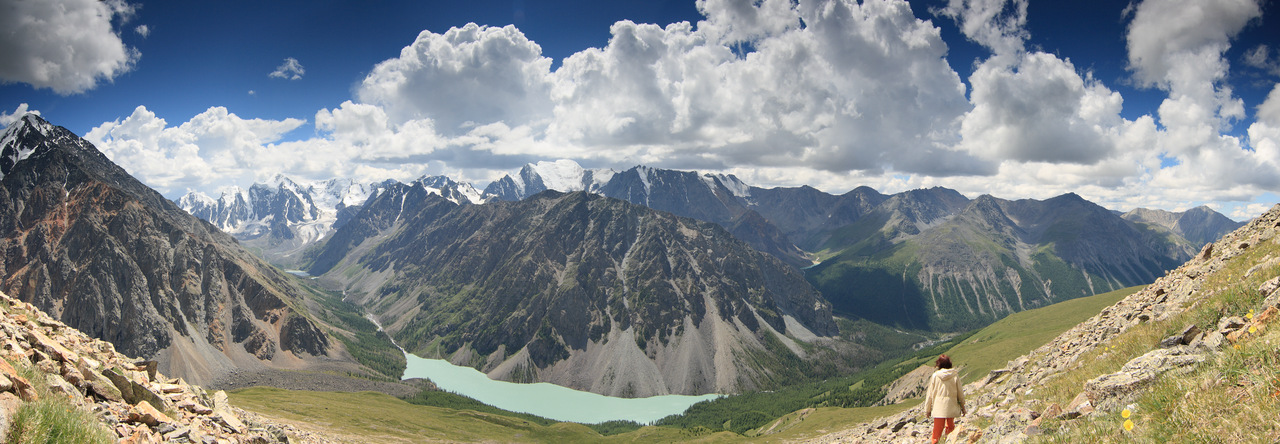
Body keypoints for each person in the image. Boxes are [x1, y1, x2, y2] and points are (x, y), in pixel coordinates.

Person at [923, 354, 965, 444]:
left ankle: (935, 442)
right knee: (950, 427)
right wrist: (963, 407)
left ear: (939, 364)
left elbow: (930, 394)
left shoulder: (935, 376)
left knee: (937, 430)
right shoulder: (955, 375)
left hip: (938, 407)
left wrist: (927, 410)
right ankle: (949, 441)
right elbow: (960, 393)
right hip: (951, 405)